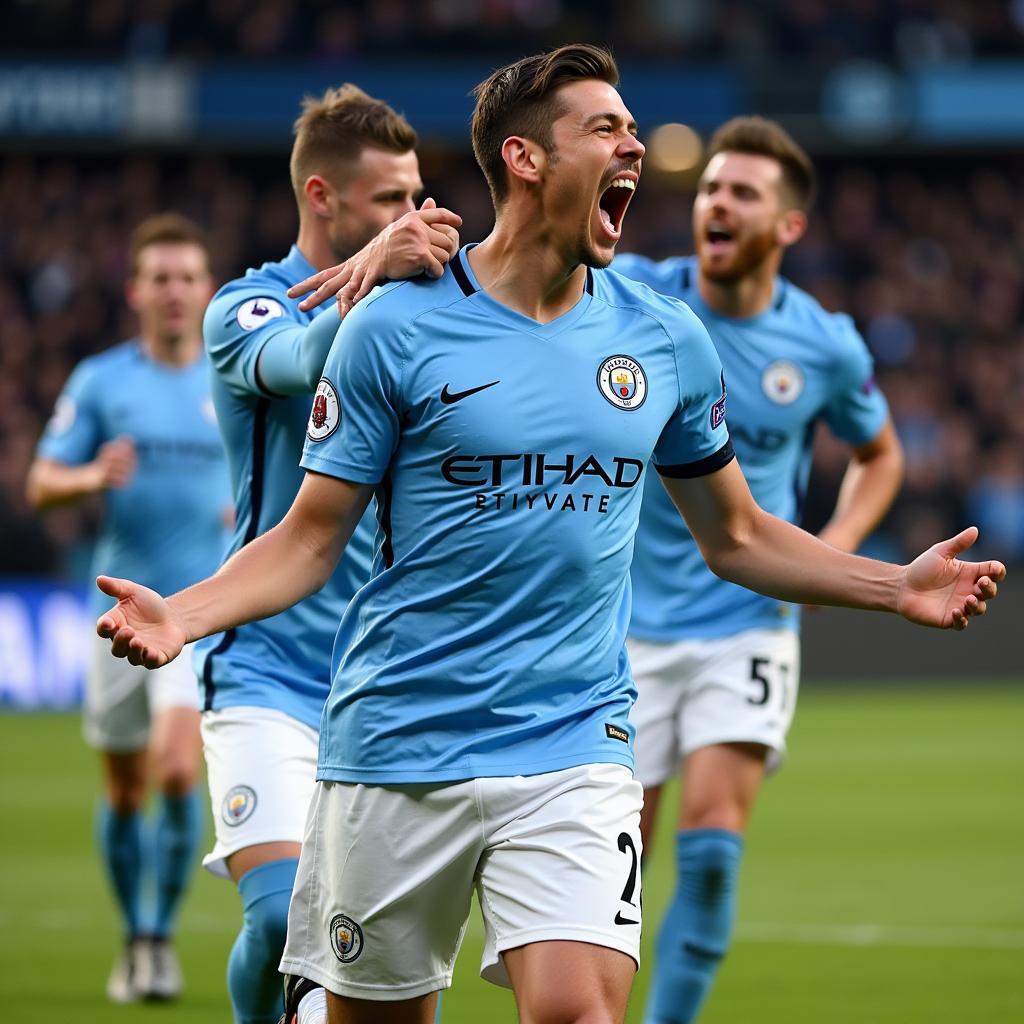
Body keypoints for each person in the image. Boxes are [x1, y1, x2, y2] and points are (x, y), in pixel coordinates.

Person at [95, 45, 1003, 1024]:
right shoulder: (394, 328)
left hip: (574, 738)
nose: (635, 144)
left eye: (633, 128)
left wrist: (890, 585)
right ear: (525, 160)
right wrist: (182, 614)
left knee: (579, 1011)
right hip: (400, 739)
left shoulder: (662, 338)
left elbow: (736, 532)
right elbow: (310, 539)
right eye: (605, 128)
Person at [612, 116, 906, 1024]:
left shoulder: (826, 346)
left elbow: (881, 453)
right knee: (613, 862)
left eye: (743, 193)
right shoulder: (635, 301)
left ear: (788, 226)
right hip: (620, 626)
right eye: (710, 189)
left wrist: (838, 546)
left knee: (708, 845)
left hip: (747, 618)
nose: (718, 203)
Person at [193, 84, 459, 1024]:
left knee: (349, 947)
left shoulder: (426, 316)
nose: (415, 219)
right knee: (277, 920)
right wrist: (380, 270)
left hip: (381, 683)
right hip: (264, 665)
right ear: (322, 196)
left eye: (419, 196)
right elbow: (306, 362)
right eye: (390, 201)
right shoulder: (243, 309)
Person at [26, 213, 229, 1003]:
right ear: (136, 290)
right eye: (162, 278)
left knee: (178, 771)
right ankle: (134, 933)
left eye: (188, 277)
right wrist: (89, 476)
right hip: (115, 612)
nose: (175, 292)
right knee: (123, 791)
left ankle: (158, 937)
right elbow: (41, 484)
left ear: (206, 290)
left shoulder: (234, 375)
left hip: (200, 616)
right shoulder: (102, 381)